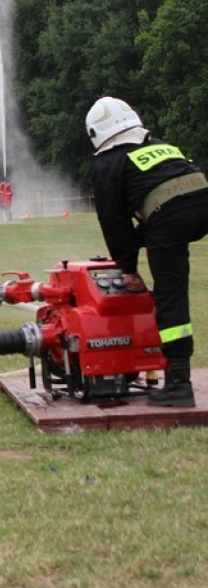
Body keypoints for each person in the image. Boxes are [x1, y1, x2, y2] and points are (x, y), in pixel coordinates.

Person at [86, 96, 208, 407]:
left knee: (171, 296)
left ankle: (179, 386)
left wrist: (128, 269)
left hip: (168, 216)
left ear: (96, 133)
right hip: (201, 197)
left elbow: (113, 222)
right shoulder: (156, 143)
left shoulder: (108, 163)